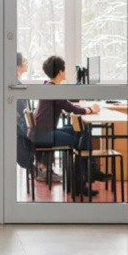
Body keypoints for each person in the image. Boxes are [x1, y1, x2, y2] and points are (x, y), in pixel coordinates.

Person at [34, 55, 111, 197]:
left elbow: (68, 105)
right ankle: (83, 179)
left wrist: (85, 109)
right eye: (64, 69)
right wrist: (90, 110)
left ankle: (84, 177)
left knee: (83, 131)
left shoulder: (49, 86)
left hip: (42, 132)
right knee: (81, 140)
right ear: (60, 72)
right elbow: (71, 108)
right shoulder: (53, 89)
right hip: (44, 136)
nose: (66, 72)